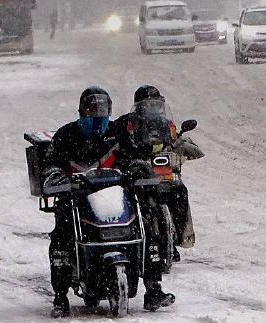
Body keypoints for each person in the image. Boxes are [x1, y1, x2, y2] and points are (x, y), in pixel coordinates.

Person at [42, 86, 174, 318]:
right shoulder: (66, 135)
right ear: (82, 110)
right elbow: (50, 163)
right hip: (78, 200)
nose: (98, 116)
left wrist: (139, 169)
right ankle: (60, 297)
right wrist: (57, 176)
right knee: (61, 237)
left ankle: (153, 288)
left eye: (102, 111)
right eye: (93, 110)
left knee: (148, 229)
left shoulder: (117, 132)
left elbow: (133, 156)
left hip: (116, 197)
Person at [114, 85, 201, 262]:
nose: (152, 109)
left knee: (179, 192)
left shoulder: (166, 124)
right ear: (138, 105)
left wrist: (182, 145)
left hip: (161, 171)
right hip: (136, 174)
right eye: (147, 105)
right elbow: (111, 144)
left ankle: (177, 237)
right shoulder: (124, 124)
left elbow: (177, 139)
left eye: (156, 104)